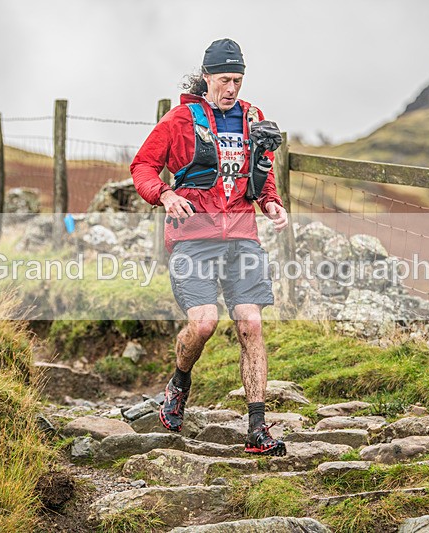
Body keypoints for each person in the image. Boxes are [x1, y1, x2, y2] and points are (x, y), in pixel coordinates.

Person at [131, 38, 289, 456]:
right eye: (224, 80)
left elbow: (260, 172)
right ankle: (179, 381)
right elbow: (143, 166)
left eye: (237, 80)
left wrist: (271, 201)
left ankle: (257, 427)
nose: (231, 88)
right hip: (193, 238)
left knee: (250, 323)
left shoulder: (254, 118)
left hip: (241, 234)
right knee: (203, 324)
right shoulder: (180, 120)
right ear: (206, 78)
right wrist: (164, 195)